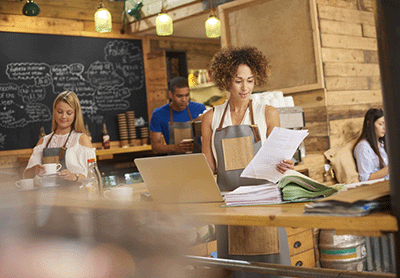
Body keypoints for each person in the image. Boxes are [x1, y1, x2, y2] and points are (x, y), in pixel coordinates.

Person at [201, 46, 295, 278]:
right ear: (226, 81)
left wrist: (285, 163)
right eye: (238, 81)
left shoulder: (268, 113)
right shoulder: (211, 118)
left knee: (273, 271)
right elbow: (208, 167)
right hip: (230, 207)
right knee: (236, 272)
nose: (245, 88)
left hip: (265, 206)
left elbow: (278, 156)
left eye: (250, 81)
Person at [24, 91, 95, 184]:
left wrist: (74, 176)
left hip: (76, 196)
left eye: (69, 113)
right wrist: (34, 170)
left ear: (75, 115)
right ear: (54, 112)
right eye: (60, 112)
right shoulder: (43, 142)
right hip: (48, 196)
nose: (63, 116)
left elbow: (92, 176)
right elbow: (26, 175)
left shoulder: (82, 140)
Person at [149, 76, 206, 154]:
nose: (184, 100)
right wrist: (175, 147)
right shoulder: (159, 114)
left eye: (187, 95)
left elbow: (210, 138)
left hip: (198, 159)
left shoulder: (200, 109)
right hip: (174, 161)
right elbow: (155, 146)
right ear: (171, 95)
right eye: (179, 96)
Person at [353, 108, 389, 181]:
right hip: (379, 188)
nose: (384, 128)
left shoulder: (382, 143)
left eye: (385, 124)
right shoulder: (363, 147)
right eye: (380, 124)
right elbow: (365, 178)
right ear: (369, 124)